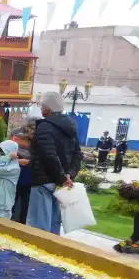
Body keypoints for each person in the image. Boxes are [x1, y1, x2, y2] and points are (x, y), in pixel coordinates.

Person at [27, 91, 84, 235]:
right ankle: (51, 254)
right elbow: (77, 154)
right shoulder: (70, 126)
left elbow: (49, 156)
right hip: (61, 182)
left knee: (38, 225)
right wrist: (68, 175)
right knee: (53, 223)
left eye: (42, 107)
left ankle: (36, 255)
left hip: (44, 180)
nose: (41, 110)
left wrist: (63, 178)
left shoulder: (45, 127)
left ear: (47, 109)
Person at [10, 122, 35, 224]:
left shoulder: (36, 140)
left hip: (28, 176)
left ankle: (22, 222)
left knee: (25, 203)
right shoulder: (17, 134)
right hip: (17, 175)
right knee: (13, 201)